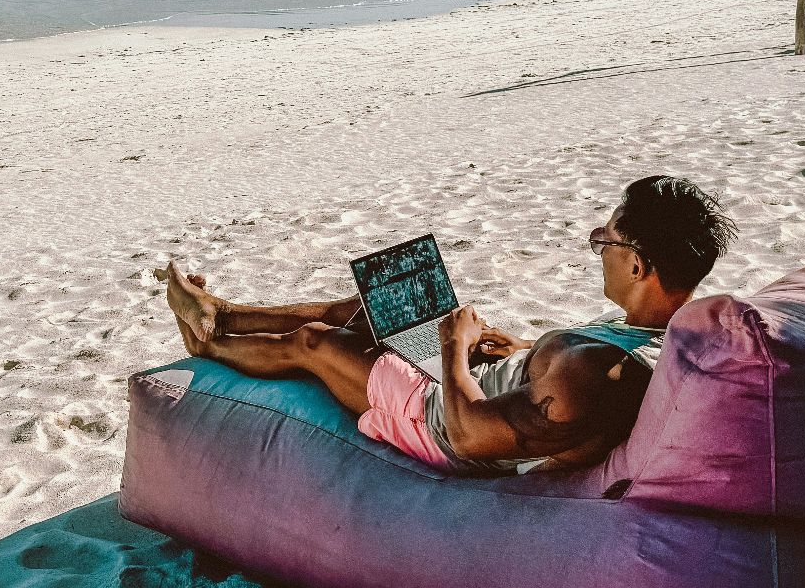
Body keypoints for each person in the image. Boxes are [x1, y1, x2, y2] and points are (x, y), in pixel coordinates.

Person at [158, 175, 737, 475]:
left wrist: (453, 347)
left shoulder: (596, 377)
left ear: (638, 264)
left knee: (316, 343)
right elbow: (567, 373)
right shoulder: (659, 332)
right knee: (375, 304)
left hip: (440, 416)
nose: (597, 248)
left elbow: (468, 439)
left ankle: (208, 343)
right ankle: (226, 312)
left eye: (603, 240)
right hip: (484, 380)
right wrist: (523, 349)